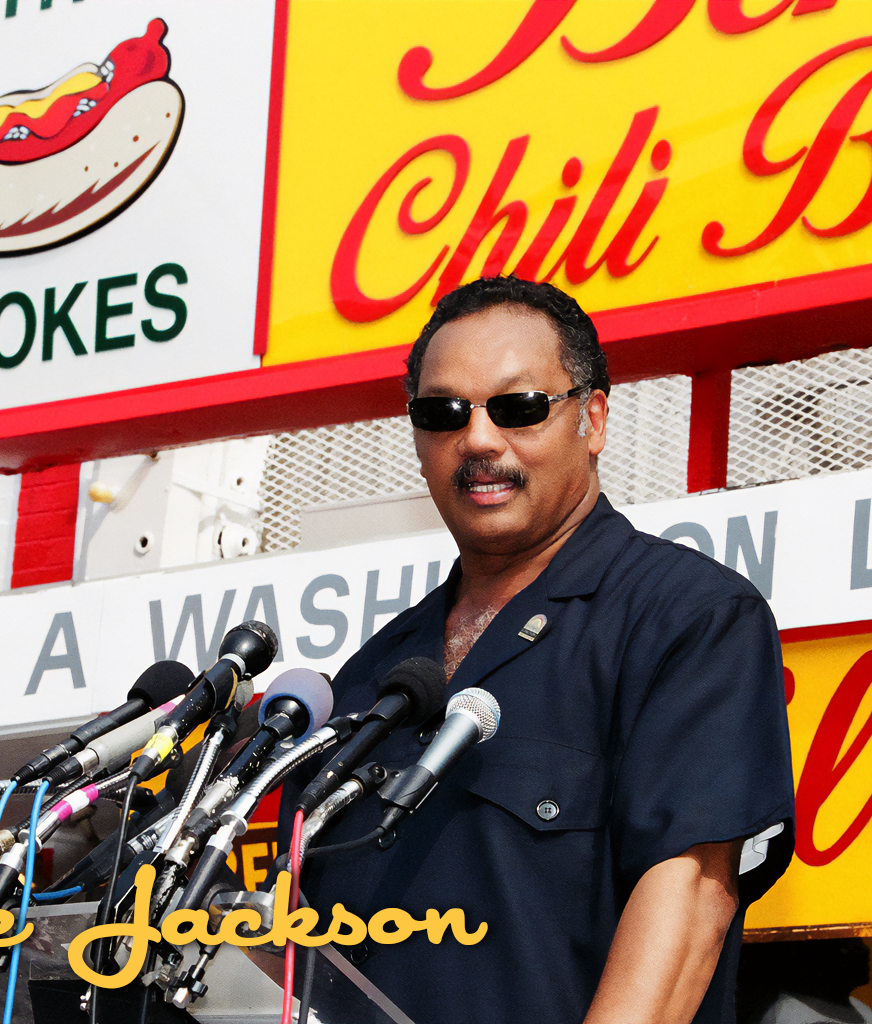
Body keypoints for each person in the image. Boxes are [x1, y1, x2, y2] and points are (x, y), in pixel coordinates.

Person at [277, 276, 794, 1024]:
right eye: (443, 413)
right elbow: (297, 952)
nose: (479, 441)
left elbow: (689, 902)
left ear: (594, 419)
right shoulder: (370, 678)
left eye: (518, 408)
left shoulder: (688, 617)